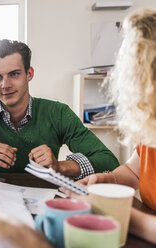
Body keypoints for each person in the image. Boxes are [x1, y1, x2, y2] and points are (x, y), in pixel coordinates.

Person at [0, 39, 119, 179]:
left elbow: (108, 161)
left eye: (14, 74)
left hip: (44, 199)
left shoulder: (58, 113)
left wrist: (60, 167)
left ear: (29, 74)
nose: (5, 85)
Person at [61, 8, 156, 244]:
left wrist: (109, 211)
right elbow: (134, 172)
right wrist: (105, 180)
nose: (116, 74)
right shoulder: (151, 125)